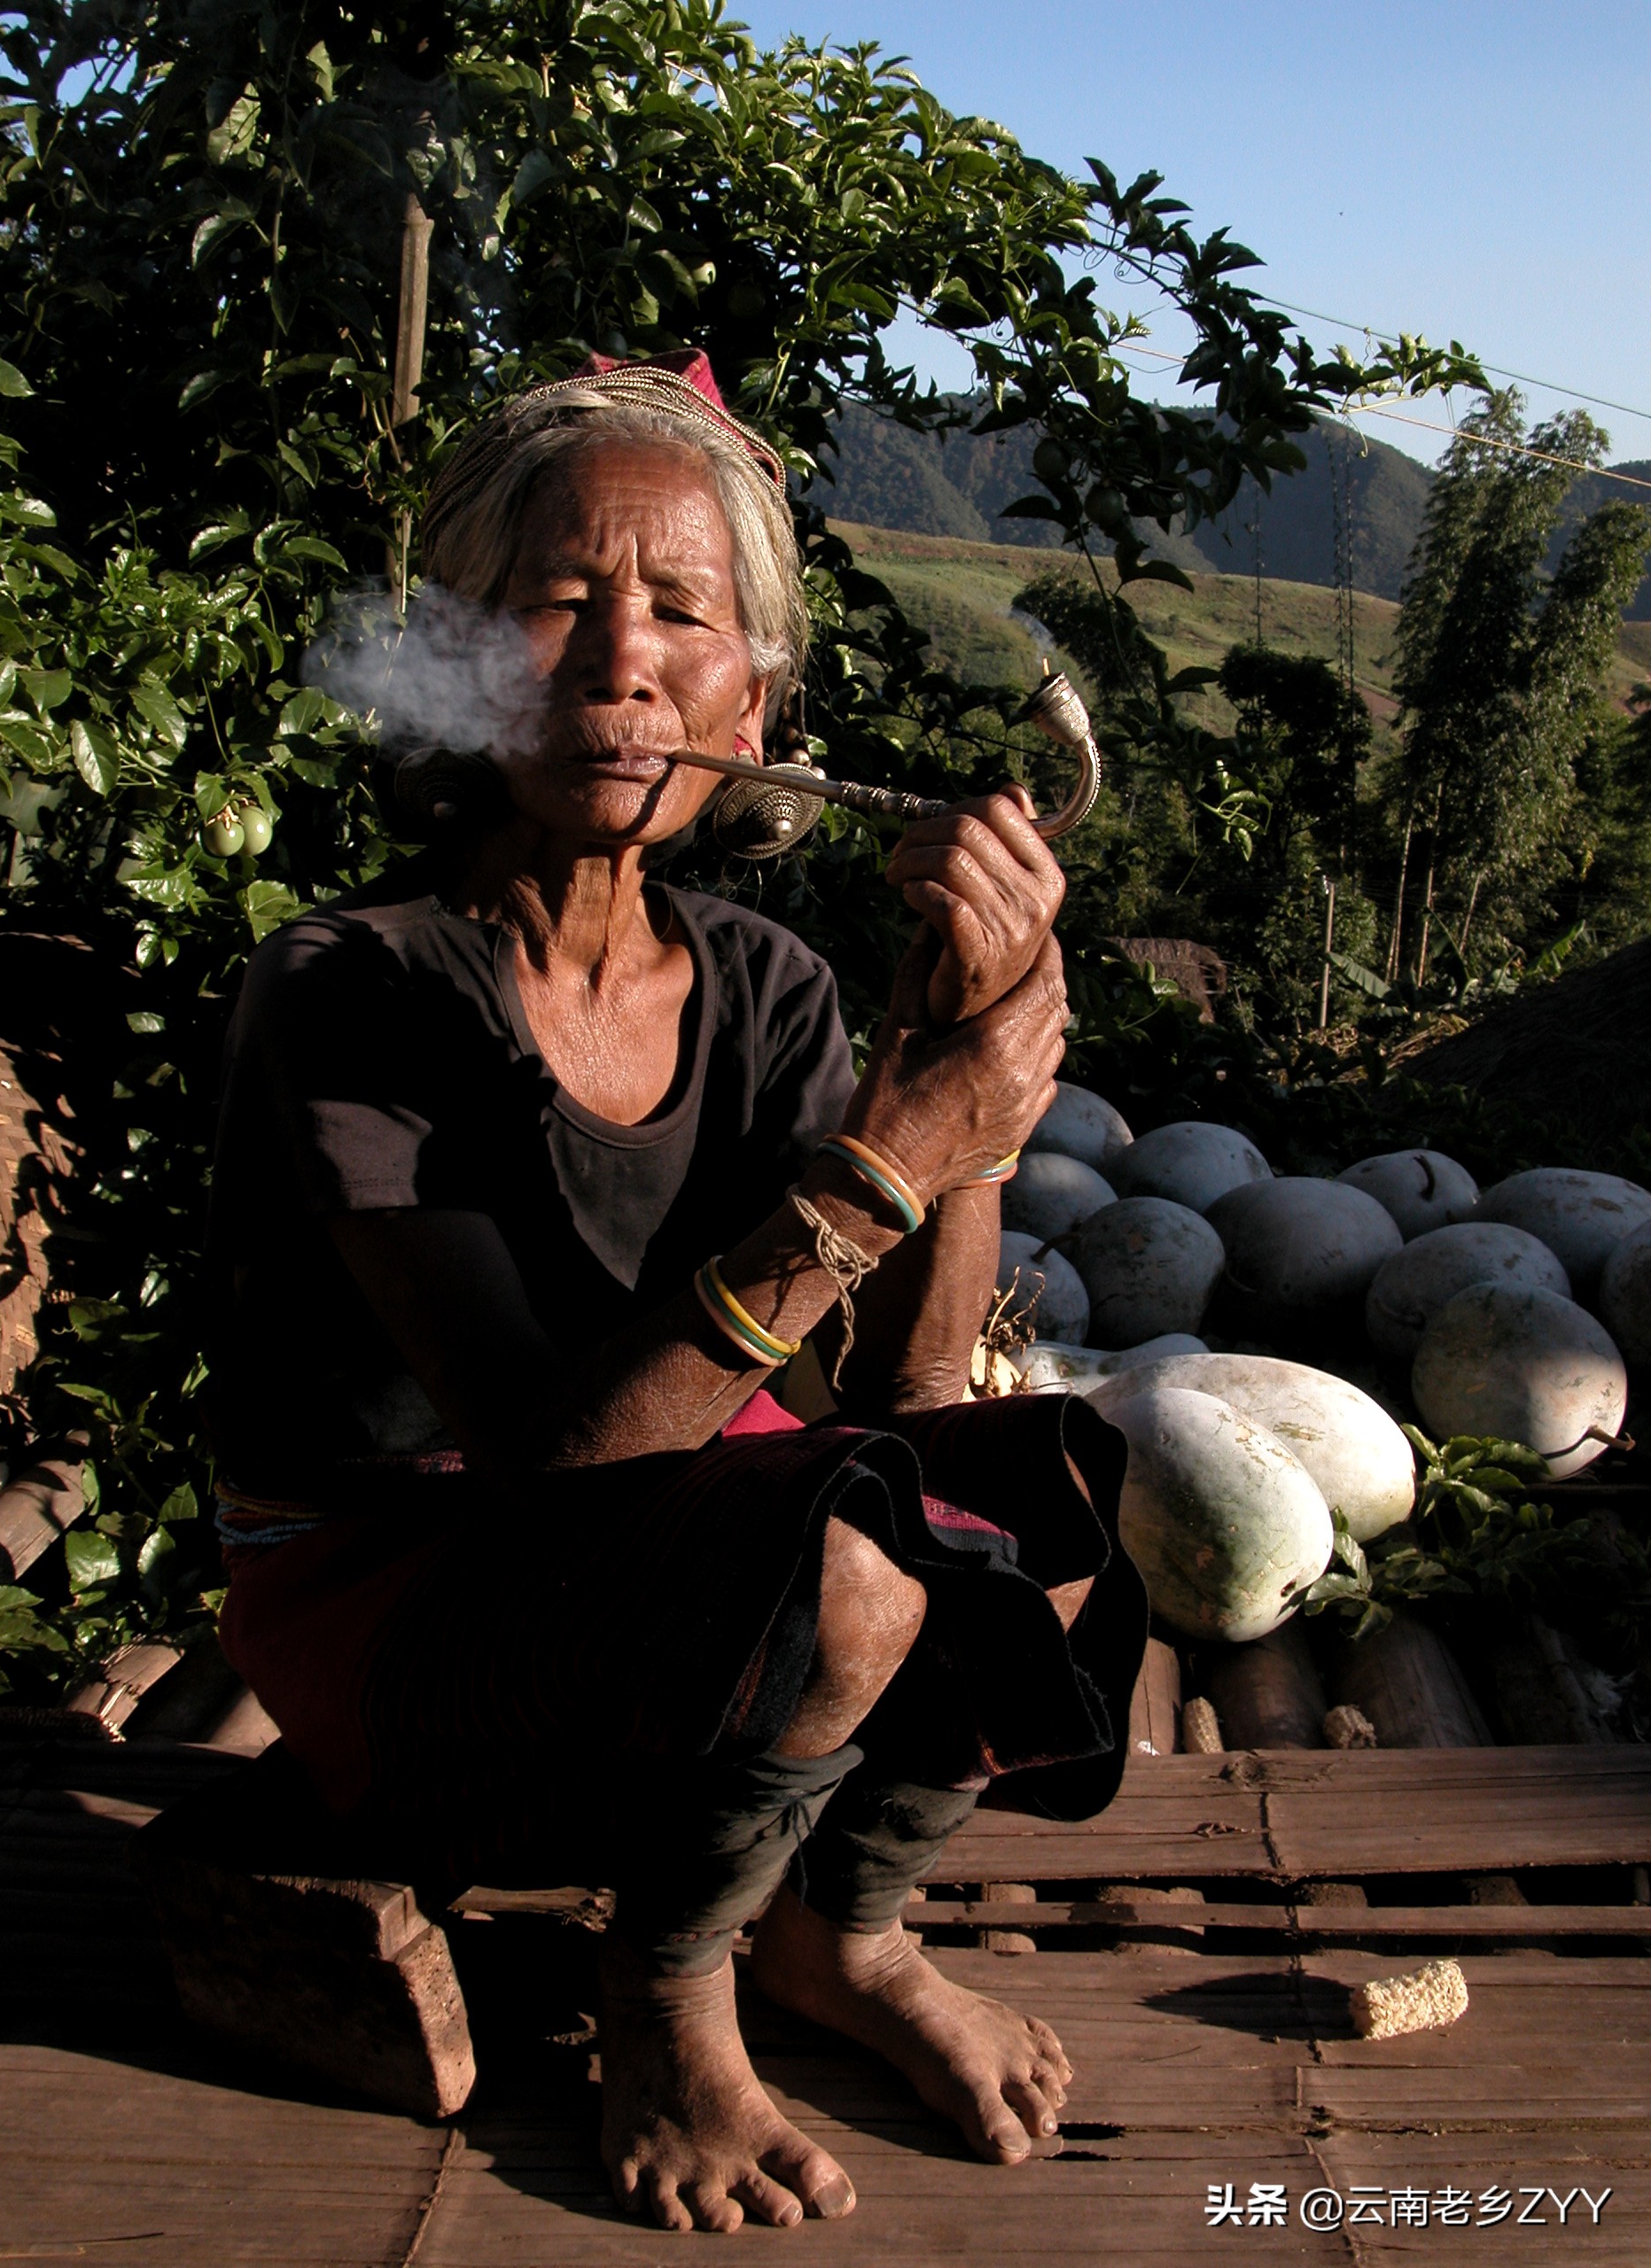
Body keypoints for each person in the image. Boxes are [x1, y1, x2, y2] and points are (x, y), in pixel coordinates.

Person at [208, 351, 1145, 2235]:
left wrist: (949, 1083)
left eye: (683, 612)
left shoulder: (771, 987)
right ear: (463, 660)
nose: (622, 657)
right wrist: (885, 1157)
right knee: (847, 1558)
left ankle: (839, 1929)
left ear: (756, 702)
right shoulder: (355, 989)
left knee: (1030, 1505)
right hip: (409, 1626)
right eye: (558, 599)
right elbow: (546, 1460)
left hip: (668, 1601)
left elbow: (907, 1391)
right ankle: (671, 1982)